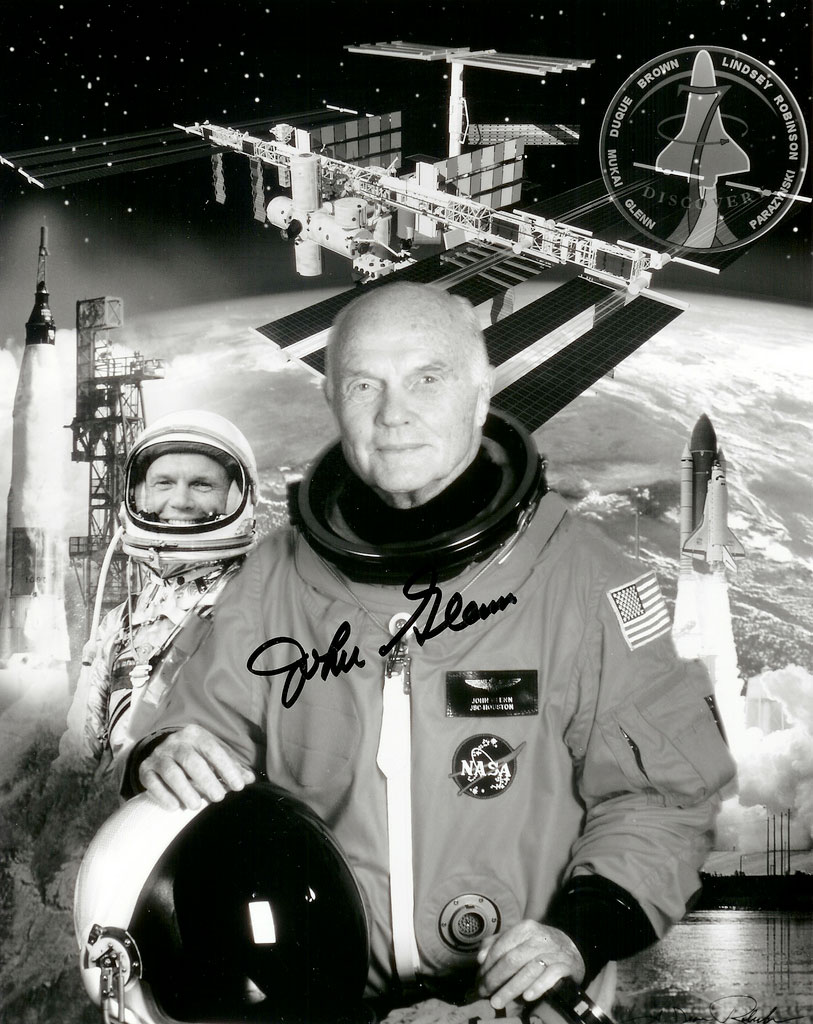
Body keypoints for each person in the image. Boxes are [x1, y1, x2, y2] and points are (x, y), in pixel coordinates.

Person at [123, 284, 736, 1016]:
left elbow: (665, 794)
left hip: (523, 1000)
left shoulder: (585, 579)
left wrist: (578, 934)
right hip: (323, 1000)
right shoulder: (273, 579)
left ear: (481, 396)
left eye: (426, 379)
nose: (393, 414)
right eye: (364, 385)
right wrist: (167, 750)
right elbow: (200, 732)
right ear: (332, 400)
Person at [63, 409, 258, 765]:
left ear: (234, 498)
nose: (180, 501)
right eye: (164, 483)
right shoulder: (119, 625)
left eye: (202, 484)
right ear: (139, 495)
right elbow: (79, 757)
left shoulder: (266, 610)